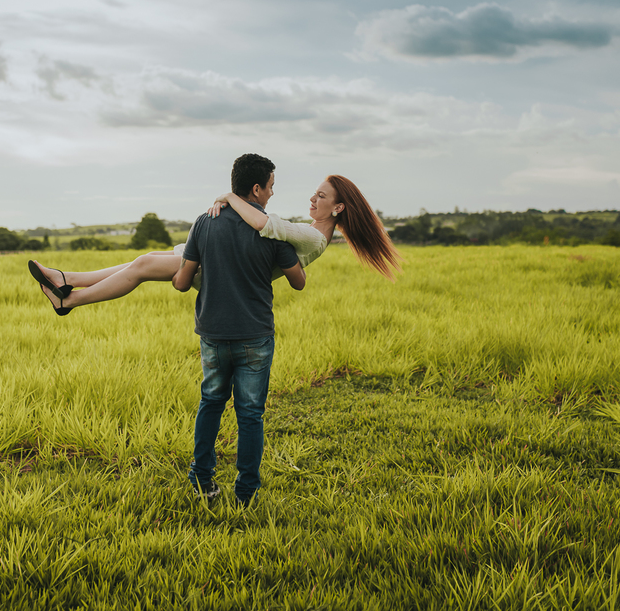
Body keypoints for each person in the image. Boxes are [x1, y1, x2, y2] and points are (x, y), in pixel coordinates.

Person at [26, 174, 401, 316]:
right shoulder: (311, 231)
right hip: (221, 262)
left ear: (337, 207)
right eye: (314, 194)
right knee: (146, 258)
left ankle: (69, 299)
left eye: (320, 196)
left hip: (217, 273)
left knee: (140, 268)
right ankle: (65, 277)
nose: (312, 200)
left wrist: (228, 196)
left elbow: (262, 222)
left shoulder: (313, 235)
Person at [172, 153, 304, 505]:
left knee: (211, 403)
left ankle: (202, 482)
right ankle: (245, 494)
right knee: (250, 414)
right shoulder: (272, 229)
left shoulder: (203, 222)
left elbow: (183, 284)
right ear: (257, 188)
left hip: (213, 335)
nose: (273, 194)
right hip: (255, 336)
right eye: (272, 187)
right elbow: (299, 281)